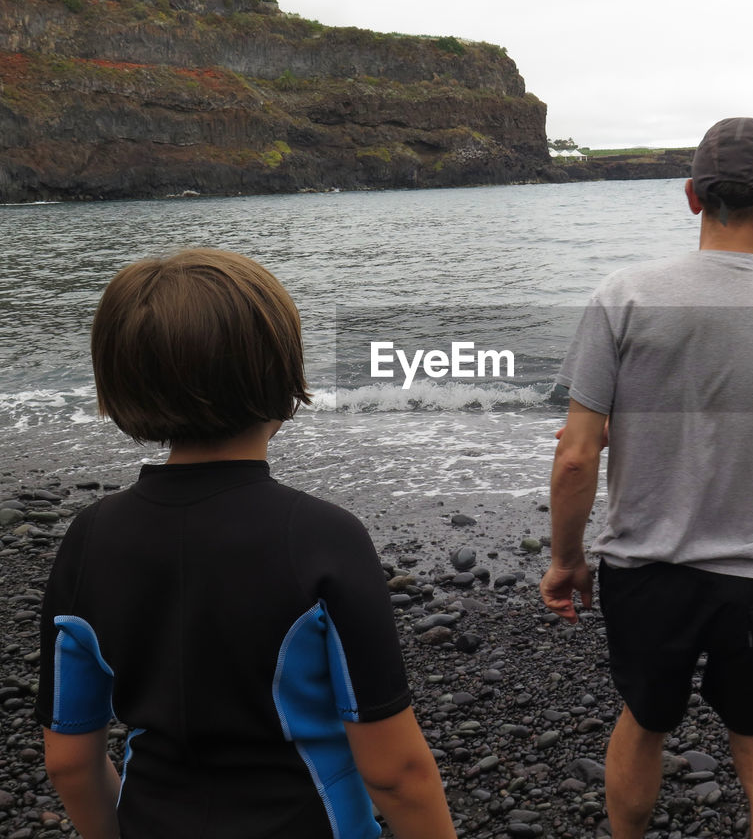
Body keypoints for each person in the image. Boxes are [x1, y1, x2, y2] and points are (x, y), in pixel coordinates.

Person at [35, 249, 456, 839]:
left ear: (120, 379)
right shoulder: (321, 538)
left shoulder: (88, 538)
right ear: (279, 373)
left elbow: (69, 760)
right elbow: (396, 772)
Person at [540, 117, 753, 839]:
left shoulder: (626, 295)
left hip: (647, 567)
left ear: (691, 196)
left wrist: (566, 559)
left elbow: (578, 453)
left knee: (644, 723)